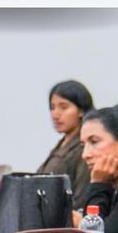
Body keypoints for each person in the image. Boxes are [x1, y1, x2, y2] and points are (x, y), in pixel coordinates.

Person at [38, 80, 94, 210]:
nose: (55, 115)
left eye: (64, 107)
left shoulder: (84, 148)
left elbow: (81, 196)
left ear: (81, 111)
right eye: (52, 108)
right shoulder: (61, 145)